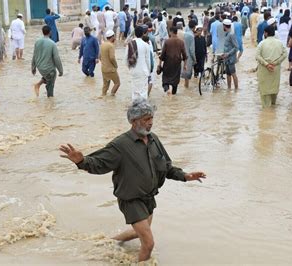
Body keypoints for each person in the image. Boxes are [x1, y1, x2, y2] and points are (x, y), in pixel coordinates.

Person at [59, 99, 206, 263]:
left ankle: (109, 242)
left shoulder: (153, 139)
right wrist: (81, 161)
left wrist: (186, 176)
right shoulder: (120, 145)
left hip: (149, 198)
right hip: (131, 199)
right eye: (146, 119)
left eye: (151, 118)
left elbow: (166, 167)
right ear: (133, 121)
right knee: (148, 244)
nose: (150, 123)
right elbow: (99, 164)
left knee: (139, 232)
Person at [255, 26, 287, 108]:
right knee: (274, 88)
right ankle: (273, 109)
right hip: (275, 69)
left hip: (264, 69)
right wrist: (276, 62)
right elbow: (285, 54)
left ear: (266, 33)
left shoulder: (262, 43)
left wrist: (266, 64)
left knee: (265, 91)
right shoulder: (279, 43)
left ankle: (266, 112)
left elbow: (257, 56)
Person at [32, 26, 63, 97]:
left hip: (40, 67)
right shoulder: (52, 43)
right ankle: (50, 101)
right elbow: (56, 58)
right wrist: (60, 70)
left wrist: (33, 67)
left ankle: (38, 85)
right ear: (50, 32)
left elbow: (34, 55)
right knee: (52, 75)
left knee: (49, 77)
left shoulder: (37, 41)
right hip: (48, 69)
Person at [158, 26, 187, 95]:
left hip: (168, 63)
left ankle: (167, 90)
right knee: (175, 82)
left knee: (165, 80)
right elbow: (185, 55)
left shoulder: (167, 41)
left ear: (171, 32)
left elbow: (162, 55)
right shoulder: (181, 42)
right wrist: (185, 65)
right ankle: (173, 95)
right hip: (177, 64)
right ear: (176, 32)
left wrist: (159, 64)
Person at [127, 25, 151, 101]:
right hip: (143, 71)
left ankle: (135, 106)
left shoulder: (130, 44)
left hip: (133, 70)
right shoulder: (146, 45)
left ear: (135, 34)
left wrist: (130, 68)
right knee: (143, 91)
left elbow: (126, 59)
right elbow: (148, 61)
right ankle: (143, 109)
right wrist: (148, 71)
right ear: (143, 34)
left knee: (135, 90)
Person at [100, 30, 120, 96]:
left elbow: (99, 56)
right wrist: (116, 65)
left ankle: (104, 96)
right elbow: (112, 58)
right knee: (117, 83)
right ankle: (112, 96)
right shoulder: (111, 46)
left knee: (105, 85)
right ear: (112, 37)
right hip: (111, 69)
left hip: (103, 69)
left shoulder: (103, 44)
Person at [222, 19, 239, 90]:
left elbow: (236, 47)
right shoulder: (227, 34)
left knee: (233, 73)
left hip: (231, 59)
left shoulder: (231, 34)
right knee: (228, 74)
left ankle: (236, 89)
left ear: (224, 26)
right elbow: (227, 46)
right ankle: (229, 88)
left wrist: (228, 54)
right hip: (226, 58)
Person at [182, 20, 197, 88]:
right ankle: (186, 88)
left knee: (185, 75)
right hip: (189, 58)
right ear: (194, 27)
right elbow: (192, 50)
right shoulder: (191, 36)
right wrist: (194, 59)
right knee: (188, 75)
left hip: (183, 56)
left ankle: (186, 88)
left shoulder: (185, 34)